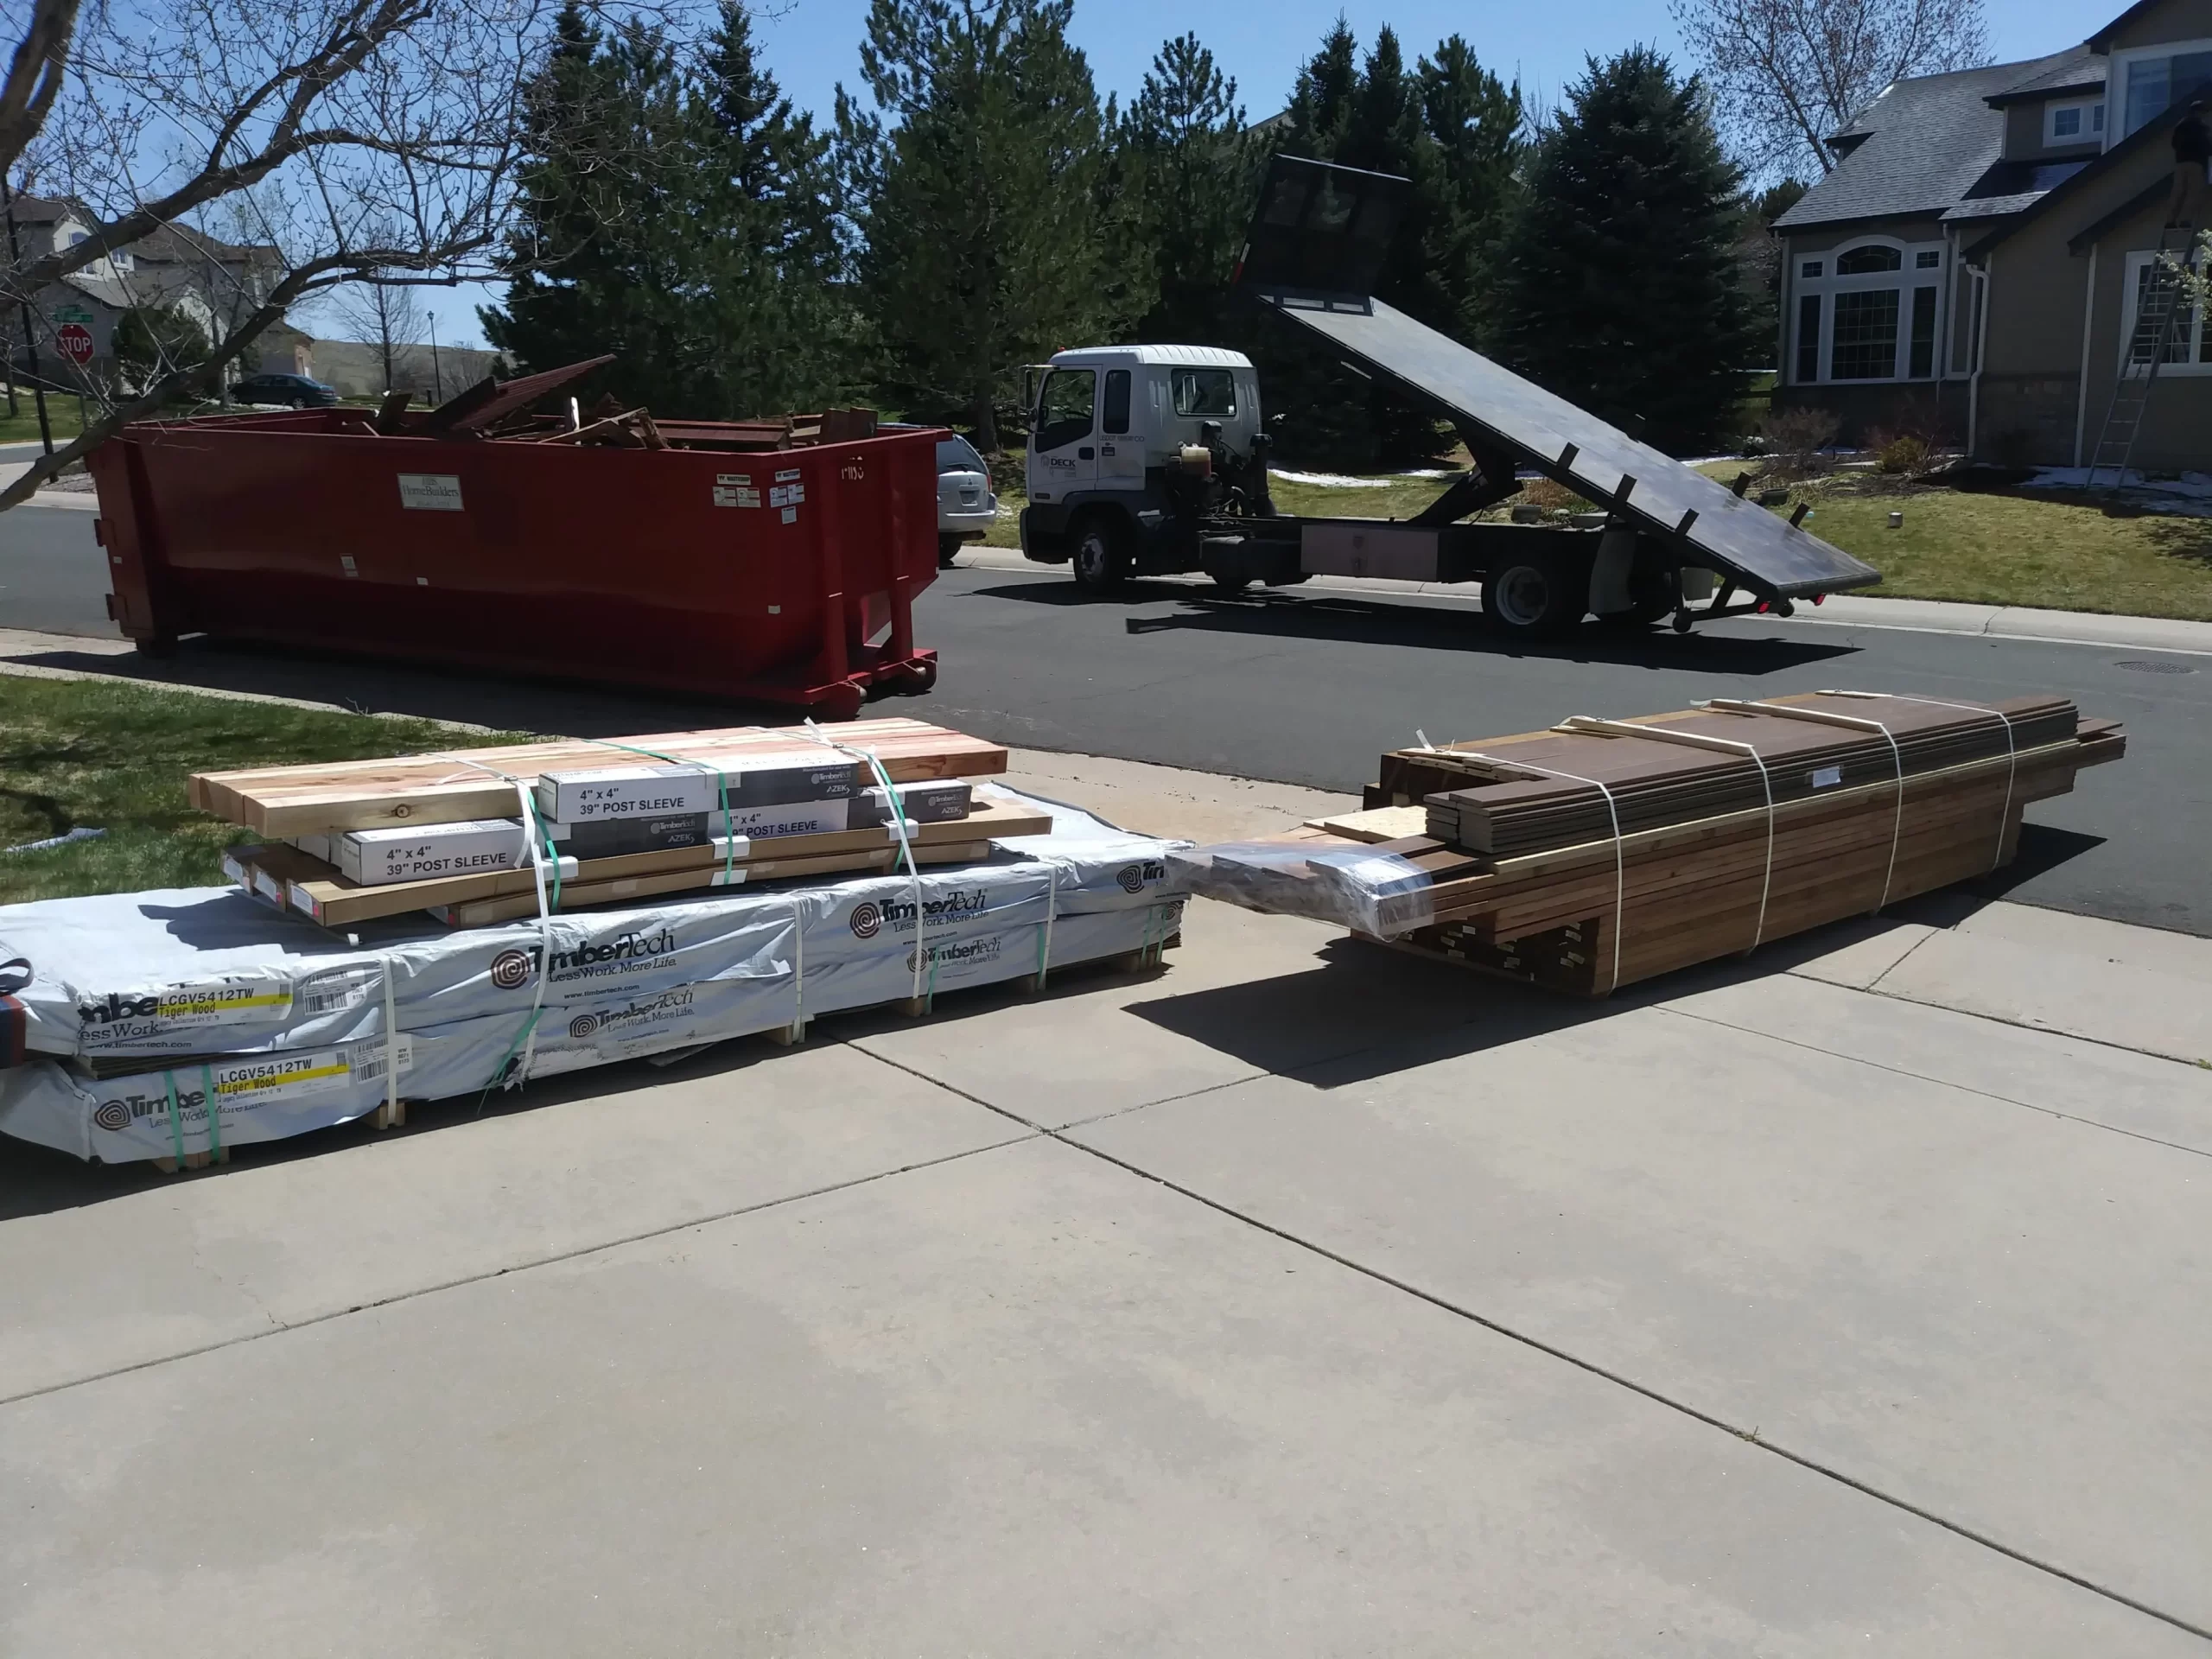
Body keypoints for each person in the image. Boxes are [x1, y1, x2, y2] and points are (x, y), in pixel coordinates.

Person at [2169, 94, 2211, 227]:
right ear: (2198, 112)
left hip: (2181, 163)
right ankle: (2185, 220)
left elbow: (2174, 143)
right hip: (2196, 163)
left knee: (2178, 192)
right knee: (2194, 191)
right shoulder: (2201, 128)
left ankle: (2170, 221)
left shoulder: (2180, 126)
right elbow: (2207, 145)